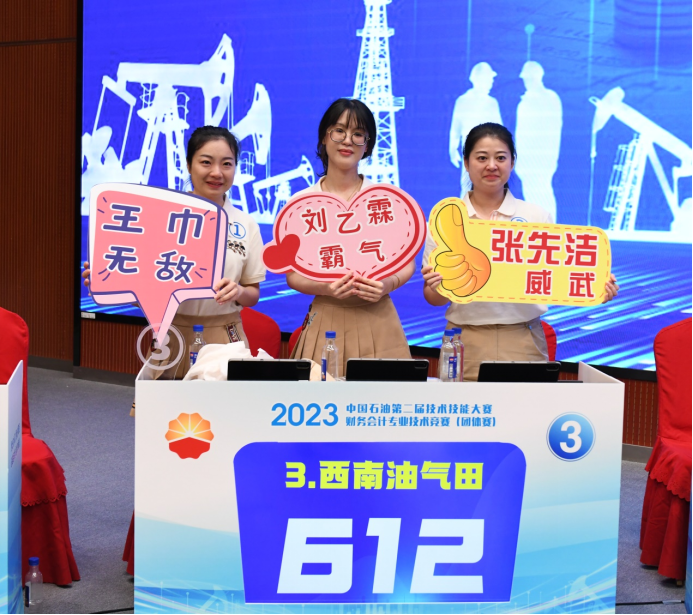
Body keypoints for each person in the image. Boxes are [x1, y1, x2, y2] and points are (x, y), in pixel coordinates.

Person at [423, 122, 619, 381]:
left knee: (527, 408)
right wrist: (438, 284)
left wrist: (595, 288)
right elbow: (434, 298)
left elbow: (558, 276)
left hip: (523, 339)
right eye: (481, 158)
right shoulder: (446, 219)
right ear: (467, 163)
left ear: (512, 162)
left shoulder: (536, 217)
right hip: (464, 341)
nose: (491, 165)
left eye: (500, 158)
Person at [83, 125, 266, 379]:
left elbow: (253, 294)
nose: (217, 172)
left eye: (227, 164)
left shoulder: (246, 224)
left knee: (223, 405)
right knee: (166, 405)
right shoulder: (159, 216)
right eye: (206, 162)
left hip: (224, 339)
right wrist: (111, 280)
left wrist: (239, 292)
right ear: (189, 165)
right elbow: (146, 287)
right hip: (172, 335)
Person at [288, 98, 413, 370]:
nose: (347, 140)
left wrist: (388, 284)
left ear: (367, 145)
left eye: (358, 134)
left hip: (380, 318)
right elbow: (292, 275)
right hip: (326, 315)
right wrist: (324, 288)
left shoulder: (385, 199)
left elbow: (406, 263)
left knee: (384, 395)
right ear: (324, 137)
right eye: (339, 130)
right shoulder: (301, 203)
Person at [515, 61, 563, 222]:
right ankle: (540, 229)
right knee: (533, 197)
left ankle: (549, 230)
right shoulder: (528, 101)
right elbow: (521, 133)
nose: (526, 82)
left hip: (540, 159)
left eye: (528, 78)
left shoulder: (546, 99)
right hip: (530, 160)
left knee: (541, 195)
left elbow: (550, 131)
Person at [449, 62, 503, 196]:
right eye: (489, 79)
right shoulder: (463, 101)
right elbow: (456, 128)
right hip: (474, 151)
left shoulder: (491, 103)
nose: (491, 82)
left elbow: (501, 132)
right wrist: (452, 148)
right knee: (469, 186)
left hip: (488, 152)